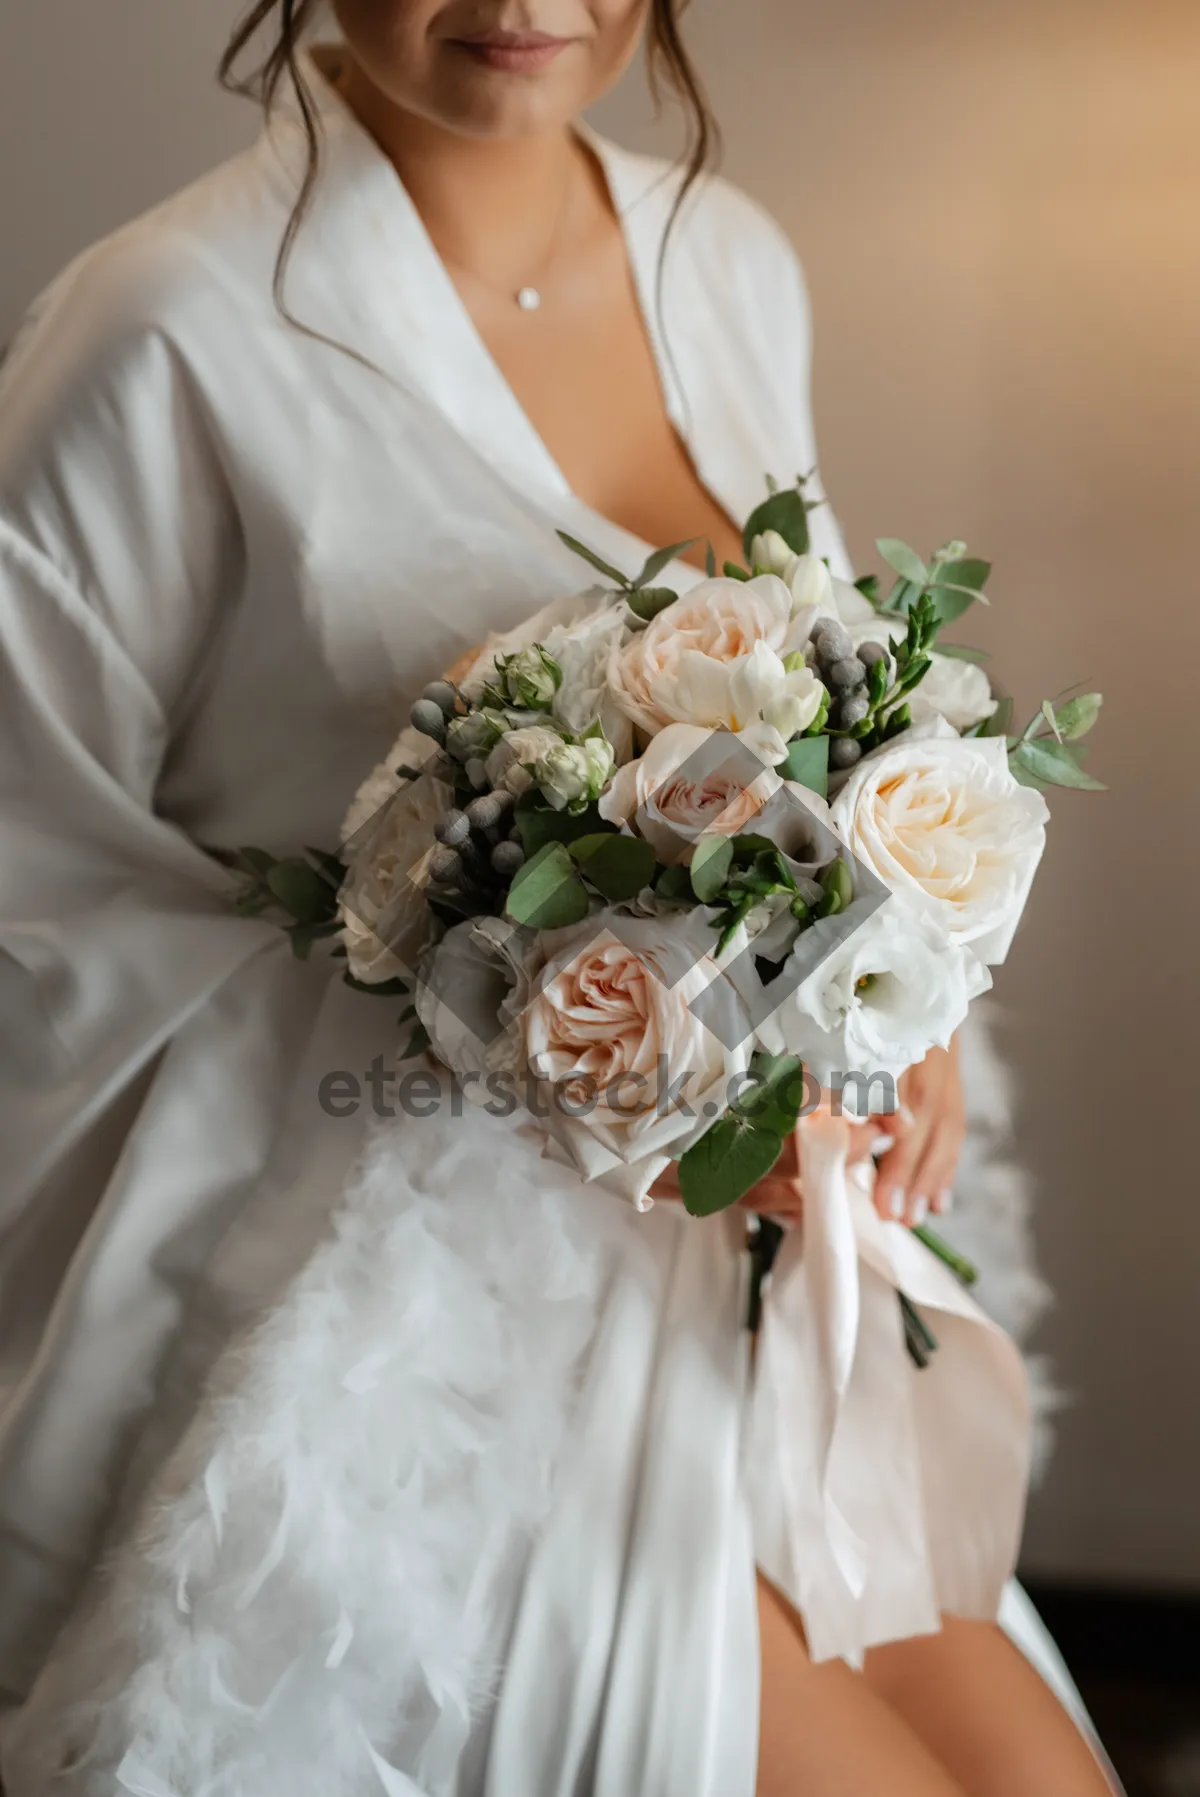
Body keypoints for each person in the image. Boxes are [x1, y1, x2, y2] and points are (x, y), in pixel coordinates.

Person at [0, 3, 1118, 1792]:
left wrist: (893, 995)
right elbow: (22, 885)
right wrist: (565, 1049)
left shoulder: (725, 258)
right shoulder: (165, 326)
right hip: (411, 1319)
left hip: (732, 1276)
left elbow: (817, 719)